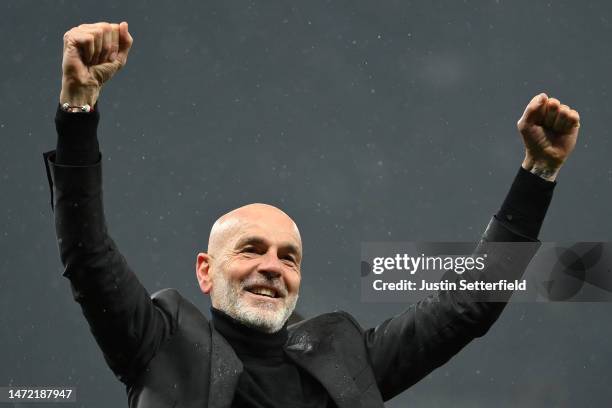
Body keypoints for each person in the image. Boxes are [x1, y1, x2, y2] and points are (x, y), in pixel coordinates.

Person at [43, 22, 581, 408]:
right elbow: (87, 255)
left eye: (288, 257)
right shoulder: (160, 344)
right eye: (251, 249)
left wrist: (536, 175)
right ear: (204, 270)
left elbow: (469, 304)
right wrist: (78, 111)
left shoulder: (346, 359)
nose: (273, 265)